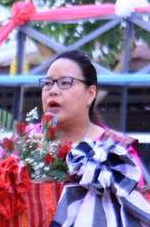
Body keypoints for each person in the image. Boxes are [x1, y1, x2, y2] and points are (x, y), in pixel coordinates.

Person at [38, 49, 144, 186]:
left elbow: (133, 204)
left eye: (65, 83)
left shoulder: (118, 150)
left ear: (90, 94)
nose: (52, 91)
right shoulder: (23, 141)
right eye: (47, 83)